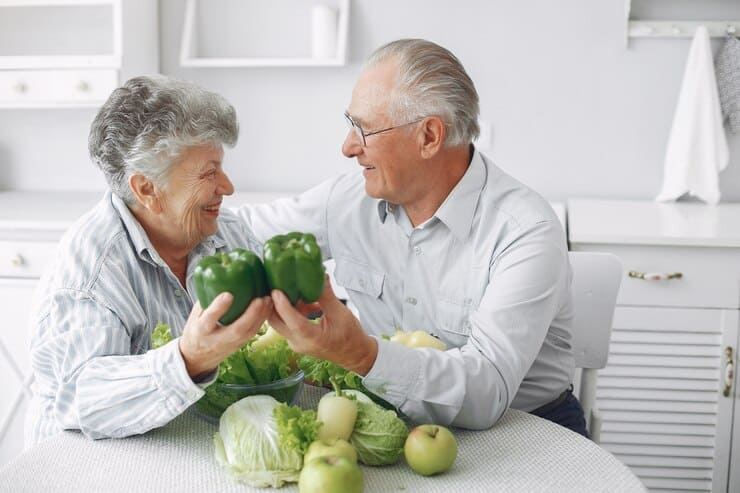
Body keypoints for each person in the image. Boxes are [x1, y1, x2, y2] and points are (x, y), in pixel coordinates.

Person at [237, 38, 587, 436]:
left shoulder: (525, 230)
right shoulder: (347, 200)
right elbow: (241, 235)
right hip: (391, 419)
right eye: (350, 124)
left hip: (528, 430)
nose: (348, 147)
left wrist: (358, 353)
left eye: (364, 129)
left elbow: (486, 391)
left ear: (429, 137)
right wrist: (170, 203)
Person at [26, 75, 272, 444]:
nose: (228, 187)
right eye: (209, 172)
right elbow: (83, 401)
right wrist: (189, 359)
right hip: (86, 464)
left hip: (186, 445)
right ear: (147, 189)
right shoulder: (90, 272)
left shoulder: (229, 235)